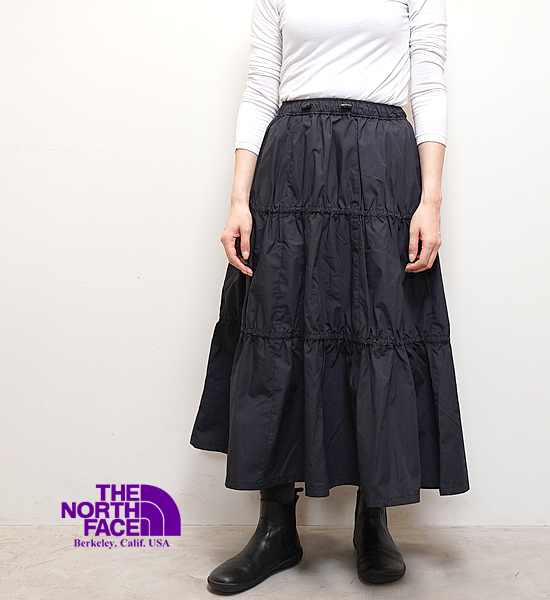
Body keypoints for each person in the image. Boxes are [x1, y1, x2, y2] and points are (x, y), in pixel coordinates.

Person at [190, 0, 470, 593]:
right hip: (291, 166)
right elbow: (261, 87)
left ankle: (373, 521)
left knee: (379, 331)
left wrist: (431, 200)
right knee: (279, 328)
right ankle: (275, 529)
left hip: (382, 168)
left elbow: (428, 85)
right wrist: (238, 199)